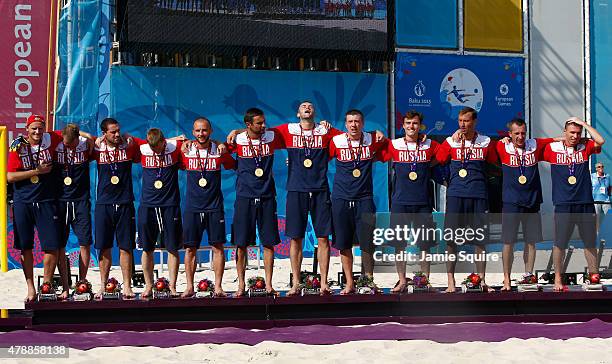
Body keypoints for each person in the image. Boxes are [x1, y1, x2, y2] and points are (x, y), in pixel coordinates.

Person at [435, 107, 498, 292]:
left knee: (480, 240)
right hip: (456, 195)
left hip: (478, 195)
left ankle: (482, 280)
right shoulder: (451, 141)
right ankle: (450, 282)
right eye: (460, 121)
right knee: (451, 240)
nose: (463, 124)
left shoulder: (485, 141)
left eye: (466, 121)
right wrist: (450, 141)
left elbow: (496, 160)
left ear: (475, 122)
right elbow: (438, 158)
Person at [541, 117, 605, 291]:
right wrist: (556, 139)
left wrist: (583, 124)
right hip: (563, 204)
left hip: (585, 202)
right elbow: (534, 145)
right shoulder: (552, 149)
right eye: (571, 133)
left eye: (578, 133)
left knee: (590, 242)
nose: (575, 136)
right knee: (559, 243)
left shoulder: (585, 147)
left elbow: (600, 140)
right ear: (565, 132)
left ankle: (594, 277)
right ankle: (558, 279)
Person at [379, 111, 439, 292]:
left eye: (415, 123)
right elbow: (375, 152)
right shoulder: (394, 144)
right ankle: (402, 280)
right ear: (403, 126)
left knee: (424, 244)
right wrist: (377, 135)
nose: (411, 126)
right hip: (400, 202)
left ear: (420, 126)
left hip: (422, 202)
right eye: (408, 123)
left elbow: (444, 155)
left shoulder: (430, 144)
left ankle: (424, 281)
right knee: (399, 244)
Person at [227, 108, 284, 296]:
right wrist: (234, 133)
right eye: (259, 123)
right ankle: (241, 284)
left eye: (264, 122)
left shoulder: (271, 136)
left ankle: (268, 284)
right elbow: (217, 147)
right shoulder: (237, 140)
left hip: (267, 195)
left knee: (268, 243)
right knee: (241, 243)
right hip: (245, 196)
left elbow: (302, 128)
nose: (263, 125)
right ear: (248, 125)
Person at [328, 109, 386, 294]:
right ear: (345, 124)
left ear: (363, 123)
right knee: (344, 244)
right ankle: (350, 283)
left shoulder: (372, 139)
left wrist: (381, 135)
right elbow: (315, 158)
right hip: (341, 198)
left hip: (364, 199)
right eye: (350, 121)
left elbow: (397, 147)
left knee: (368, 243)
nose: (354, 125)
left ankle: (368, 280)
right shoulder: (336, 141)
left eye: (357, 121)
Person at [7, 114, 63, 302]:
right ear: (27, 128)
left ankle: (46, 286)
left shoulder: (52, 138)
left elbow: (73, 133)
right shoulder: (17, 146)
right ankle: (31, 287)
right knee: (26, 247)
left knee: (52, 246)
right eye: (34, 128)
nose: (38, 132)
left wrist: (98, 137)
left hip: (46, 200)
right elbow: (10, 177)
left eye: (40, 128)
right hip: (23, 201)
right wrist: (36, 172)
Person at [496, 119, 555, 291]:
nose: (520, 137)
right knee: (508, 242)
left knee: (531, 242)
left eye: (523, 133)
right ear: (510, 134)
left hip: (532, 201)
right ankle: (506, 279)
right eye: (516, 133)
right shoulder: (501, 147)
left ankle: (528, 276)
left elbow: (558, 140)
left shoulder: (534, 145)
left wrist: (578, 138)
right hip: (511, 202)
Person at [180, 117, 235, 297]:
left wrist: (222, 145)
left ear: (210, 131)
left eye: (204, 130)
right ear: (192, 132)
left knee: (218, 247)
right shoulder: (186, 150)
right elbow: (157, 142)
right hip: (192, 207)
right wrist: (182, 142)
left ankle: (218, 286)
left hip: (214, 206)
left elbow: (233, 162)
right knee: (190, 248)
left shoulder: (219, 151)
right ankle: (189, 286)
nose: (201, 134)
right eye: (197, 131)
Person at [91, 118, 139, 299]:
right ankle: (102, 285)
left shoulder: (129, 145)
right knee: (104, 247)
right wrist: (92, 138)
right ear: (104, 133)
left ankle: (127, 285)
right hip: (104, 203)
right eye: (113, 132)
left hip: (125, 202)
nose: (117, 134)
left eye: (118, 131)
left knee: (125, 247)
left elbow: (154, 141)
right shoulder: (96, 148)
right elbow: (73, 134)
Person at [133, 128, 183, 297]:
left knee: (172, 247)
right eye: (152, 148)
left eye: (159, 148)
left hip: (170, 204)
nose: (155, 151)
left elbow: (189, 140)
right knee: (147, 248)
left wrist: (180, 139)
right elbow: (124, 137)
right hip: (148, 205)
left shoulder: (175, 146)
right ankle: (148, 285)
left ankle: (173, 286)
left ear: (164, 142)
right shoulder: (142, 147)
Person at [54, 124, 94, 286]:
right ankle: (65, 284)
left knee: (84, 243)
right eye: (66, 144)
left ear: (78, 139)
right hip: (60, 201)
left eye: (71, 144)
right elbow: (58, 131)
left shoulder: (86, 144)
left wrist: (87, 135)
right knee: (60, 244)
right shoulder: (57, 142)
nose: (68, 147)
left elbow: (93, 137)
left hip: (80, 201)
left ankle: (82, 282)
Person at [591, 162, 611, 230]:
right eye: (599, 167)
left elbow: (609, 187)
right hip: (596, 200)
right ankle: (597, 233)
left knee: (609, 216)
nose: (601, 168)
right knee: (597, 218)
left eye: (602, 166)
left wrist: (609, 195)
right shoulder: (592, 176)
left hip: (606, 200)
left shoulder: (607, 176)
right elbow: (589, 187)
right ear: (596, 168)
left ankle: (609, 232)